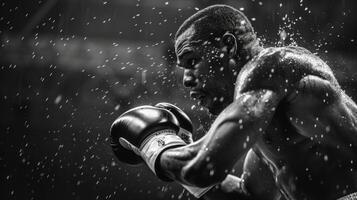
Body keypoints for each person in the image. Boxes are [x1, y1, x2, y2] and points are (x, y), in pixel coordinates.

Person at [110, 4, 357, 200]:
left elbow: (204, 167)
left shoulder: (270, 67)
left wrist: (154, 145)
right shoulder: (267, 135)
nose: (185, 80)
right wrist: (181, 147)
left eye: (192, 60)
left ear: (227, 45)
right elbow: (248, 196)